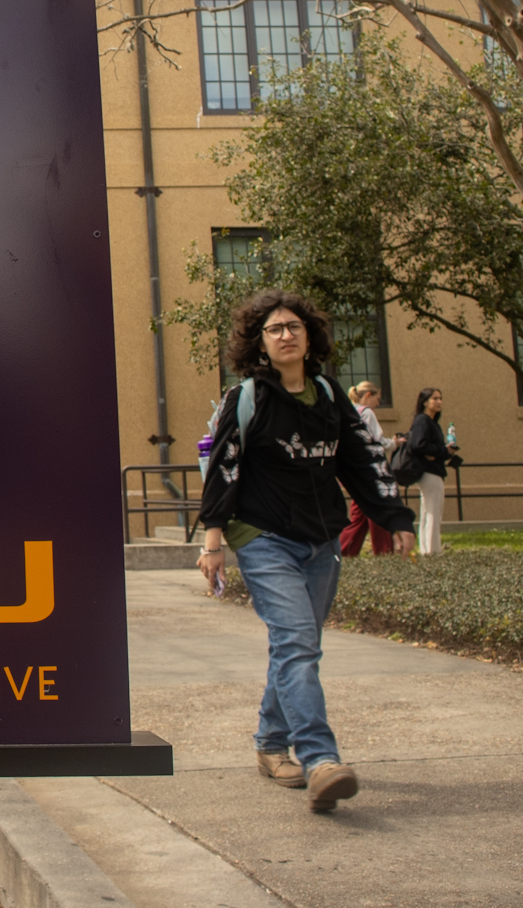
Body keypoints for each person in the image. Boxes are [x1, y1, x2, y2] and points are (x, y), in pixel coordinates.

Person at [198, 290, 415, 813]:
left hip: (322, 541)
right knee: (297, 643)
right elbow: (224, 467)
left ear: (310, 335)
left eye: (294, 326)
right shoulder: (247, 397)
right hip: (264, 537)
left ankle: (271, 746)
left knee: (298, 646)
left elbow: (360, 462)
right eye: (274, 329)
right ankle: (321, 760)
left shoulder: (328, 394)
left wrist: (396, 518)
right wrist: (213, 541)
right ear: (260, 343)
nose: (286, 335)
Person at [337, 382, 395, 556]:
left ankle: (345, 550)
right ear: (368, 395)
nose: (378, 403)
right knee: (378, 509)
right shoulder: (367, 413)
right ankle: (384, 550)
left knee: (359, 514)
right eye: (378, 399)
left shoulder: (350, 412)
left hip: (353, 469)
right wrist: (394, 443)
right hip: (369, 470)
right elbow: (376, 440)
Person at [406, 387, 458, 555]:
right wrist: (442, 451)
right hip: (429, 473)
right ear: (425, 402)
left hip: (434, 470)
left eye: (440, 398)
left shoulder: (432, 422)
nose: (438, 402)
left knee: (429, 511)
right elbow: (418, 444)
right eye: (434, 398)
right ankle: (433, 552)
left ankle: (427, 550)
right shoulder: (423, 420)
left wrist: (441, 452)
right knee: (433, 513)